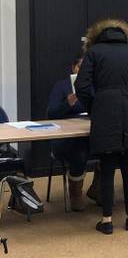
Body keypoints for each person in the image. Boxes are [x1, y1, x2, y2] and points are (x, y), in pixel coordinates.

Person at [75, 19, 128, 235]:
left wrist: (94, 106)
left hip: (105, 113)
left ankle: (106, 220)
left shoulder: (94, 52)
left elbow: (82, 86)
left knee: (106, 168)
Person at [47, 54, 90, 212]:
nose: (82, 72)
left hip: (89, 133)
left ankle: (98, 189)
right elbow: (51, 113)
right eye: (79, 68)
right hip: (66, 139)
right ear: (73, 68)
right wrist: (68, 104)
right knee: (79, 151)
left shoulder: (93, 86)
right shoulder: (62, 86)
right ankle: (75, 193)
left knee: (109, 147)